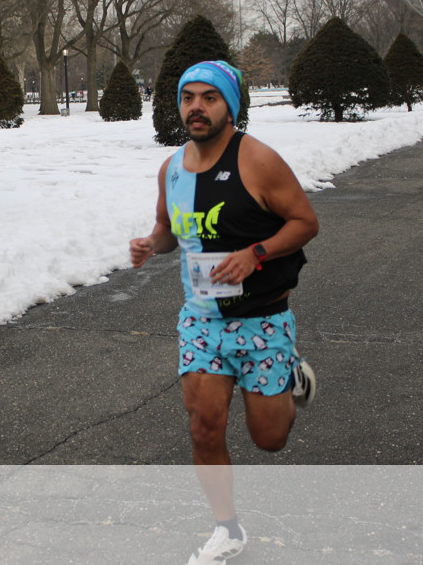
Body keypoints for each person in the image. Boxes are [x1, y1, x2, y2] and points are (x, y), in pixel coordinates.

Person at [129, 60, 319, 565]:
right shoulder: (172, 169)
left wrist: (256, 254)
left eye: (208, 98)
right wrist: (151, 243)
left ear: (229, 107)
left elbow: (305, 222)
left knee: (269, 439)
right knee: (204, 427)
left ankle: (291, 374)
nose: (196, 107)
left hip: (262, 320)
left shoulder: (258, 160)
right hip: (202, 321)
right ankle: (227, 528)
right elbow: (168, 230)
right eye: (188, 97)